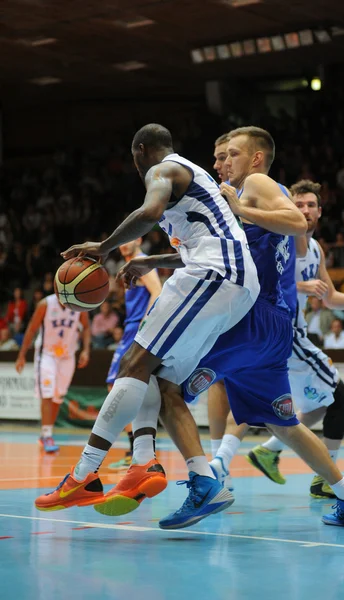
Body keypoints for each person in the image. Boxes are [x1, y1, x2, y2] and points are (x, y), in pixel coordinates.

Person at [127, 130, 344, 529]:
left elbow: (297, 220)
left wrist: (242, 209)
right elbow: (211, 254)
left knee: (160, 382)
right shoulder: (233, 201)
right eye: (218, 156)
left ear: (257, 159)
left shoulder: (255, 186)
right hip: (270, 328)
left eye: (230, 155)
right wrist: (153, 261)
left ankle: (201, 481)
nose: (220, 163)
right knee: (284, 424)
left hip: (248, 316)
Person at [35, 123, 260, 524]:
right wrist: (151, 261)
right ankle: (197, 479)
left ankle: (84, 475)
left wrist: (101, 248)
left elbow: (149, 212)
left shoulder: (163, 170)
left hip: (215, 274)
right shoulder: (194, 177)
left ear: (140, 151)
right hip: (233, 281)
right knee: (160, 383)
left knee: (133, 364)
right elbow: (203, 242)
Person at [212, 179, 344, 502]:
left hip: (279, 334)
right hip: (284, 331)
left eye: (310, 205)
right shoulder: (286, 235)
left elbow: (328, 297)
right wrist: (301, 288)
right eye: (298, 204)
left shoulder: (315, 248)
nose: (304, 210)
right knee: (338, 396)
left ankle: (235, 459)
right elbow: (271, 276)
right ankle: (324, 479)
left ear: (320, 210)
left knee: (296, 405)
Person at [107, 240, 162, 471]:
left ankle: (135, 450)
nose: (122, 245)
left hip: (136, 330)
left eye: (127, 239)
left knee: (116, 386)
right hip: (132, 329)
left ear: (139, 239)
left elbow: (158, 290)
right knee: (131, 389)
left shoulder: (141, 263)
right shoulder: (133, 264)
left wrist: (144, 322)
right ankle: (139, 450)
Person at [15, 293, 91, 452]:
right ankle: (47, 434)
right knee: (47, 394)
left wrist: (86, 350)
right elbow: (32, 328)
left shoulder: (79, 305)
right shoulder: (45, 304)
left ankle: (46, 435)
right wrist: (21, 355)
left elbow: (86, 327)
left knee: (58, 397)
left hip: (67, 356)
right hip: (47, 355)